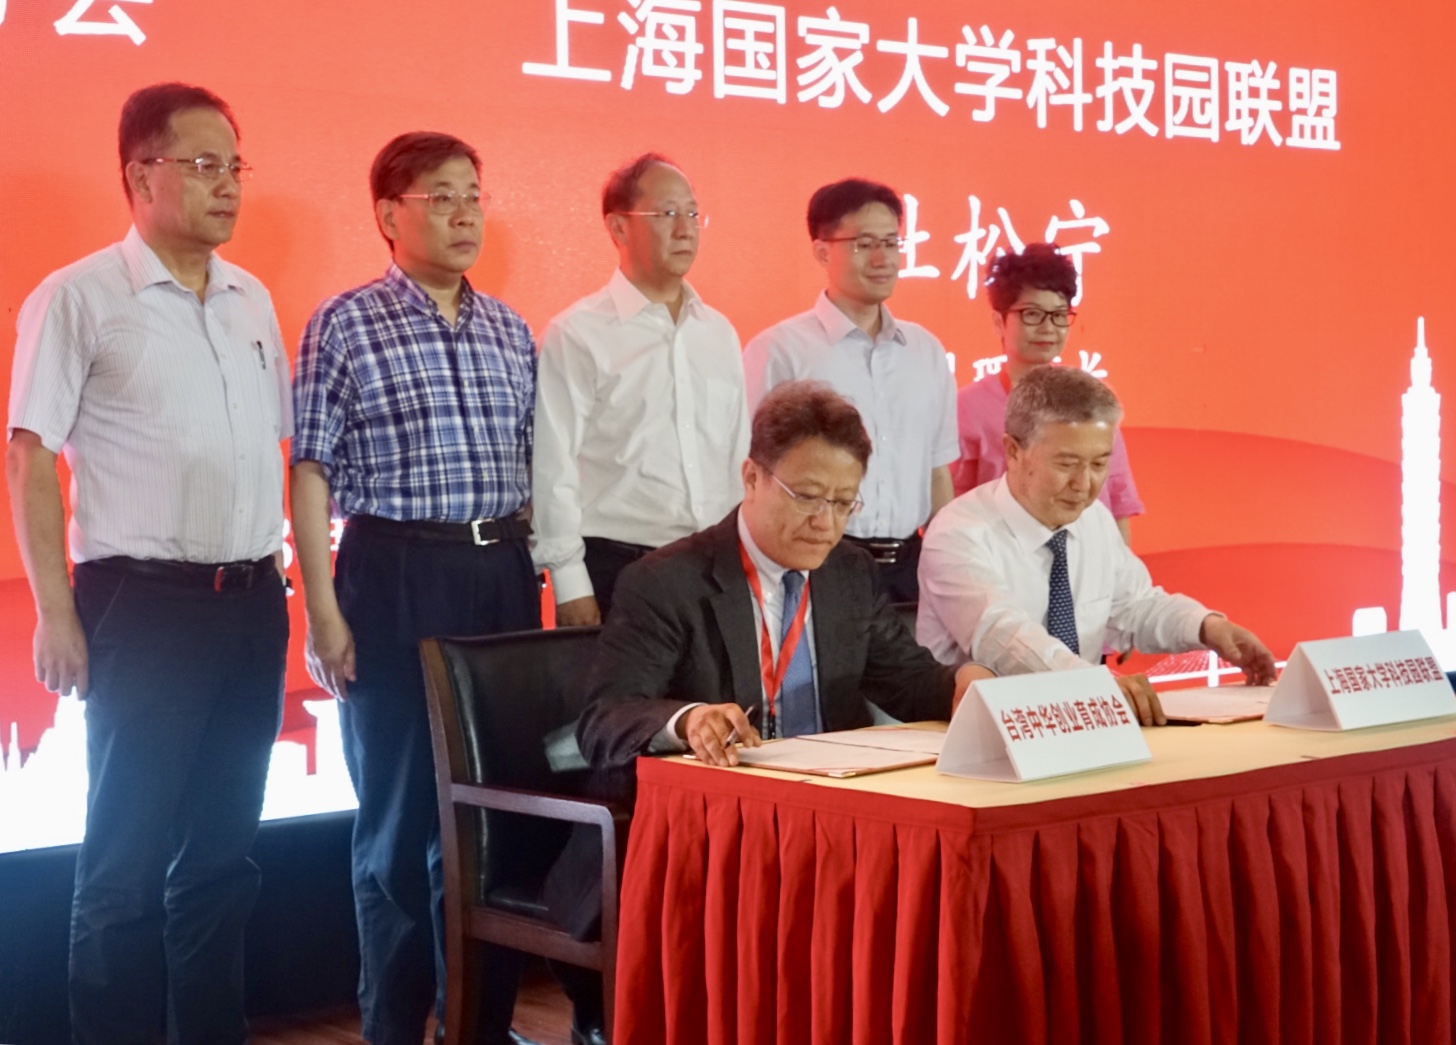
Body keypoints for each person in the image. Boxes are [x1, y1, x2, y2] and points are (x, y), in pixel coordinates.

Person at [6, 82, 289, 1044]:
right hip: (142, 606)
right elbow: (30, 457)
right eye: (204, 165)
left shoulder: (252, 299)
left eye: (235, 166)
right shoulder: (79, 297)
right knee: (124, 868)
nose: (228, 185)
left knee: (222, 859)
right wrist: (56, 613)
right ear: (139, 175)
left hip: (251, 600)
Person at [290, 132, 541, 1045]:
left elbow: (535, 466)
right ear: (388, 214)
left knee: (492, 821)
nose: (465, 212)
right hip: (394, 569)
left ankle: (476, 1023)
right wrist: (321, 610)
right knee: (398, 826)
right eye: (442, 195)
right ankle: (393, 1027)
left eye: (473, 193)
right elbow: (310, 468)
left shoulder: (512, 329)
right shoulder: (345, 322)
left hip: (500, 573)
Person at [576, 380, 991, 769]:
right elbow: (605, 720)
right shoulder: (666, 581)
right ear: (751, 478)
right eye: (807, 497)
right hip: (728, 797)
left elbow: (906, 681)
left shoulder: (850, 572)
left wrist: (962, 681)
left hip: (837, 793)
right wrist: (690, 720)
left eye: (843, 503)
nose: (825, 523)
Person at [918, 366, 1275, 726]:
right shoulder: (959, 532)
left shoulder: (1094, 520)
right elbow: (1004, 636)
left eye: (1099, 464)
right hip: (975, 734)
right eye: (1067, 464)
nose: (1084, 484)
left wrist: (1208, 628)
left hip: (1081, 726)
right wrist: (1094, 686)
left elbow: (1135, 606)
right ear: (1013, 451)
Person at [532, 152, 749, 625]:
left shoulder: (718, 332)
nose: (685, 229)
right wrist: (570, 584)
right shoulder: (577, 333)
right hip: (619, 567)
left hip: (715, 566)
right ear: (618, 227)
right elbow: (552, 467)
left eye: (692, 213)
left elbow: (737, 457)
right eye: (667, 213)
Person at [740, 178, 959, 603]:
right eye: (864, 244)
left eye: (891, 243)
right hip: (816, 560)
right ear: (822, 251)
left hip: (911, 567)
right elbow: (751, 470)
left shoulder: (925, 350)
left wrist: (947, 563)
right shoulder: (780, 350)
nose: (882, 258)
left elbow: (937, 472)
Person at [953, 243, 1144, 542]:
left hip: (1089, 557)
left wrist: (1120, 565)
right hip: (1003, 559)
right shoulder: (967, 408)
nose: (1048, 328)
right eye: (1032, 314)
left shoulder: (1090, 399)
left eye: (1058, 315)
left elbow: (1117, 501)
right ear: (999, 321)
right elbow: (954, 510)